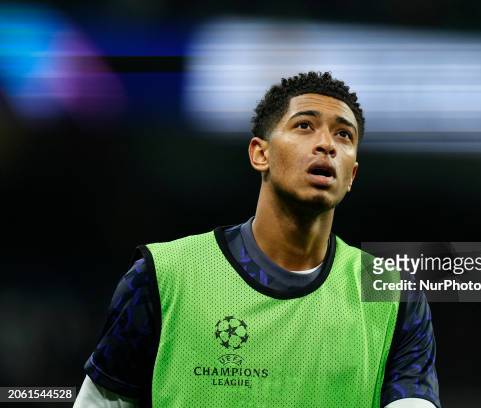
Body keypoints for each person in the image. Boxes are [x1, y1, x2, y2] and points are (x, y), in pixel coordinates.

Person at [74, 71, 441, 408]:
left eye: (343, 134)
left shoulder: (394, 296)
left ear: (352, 175)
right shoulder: (162, 277)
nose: (327, 144)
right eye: (305, 126)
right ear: (260, 153)